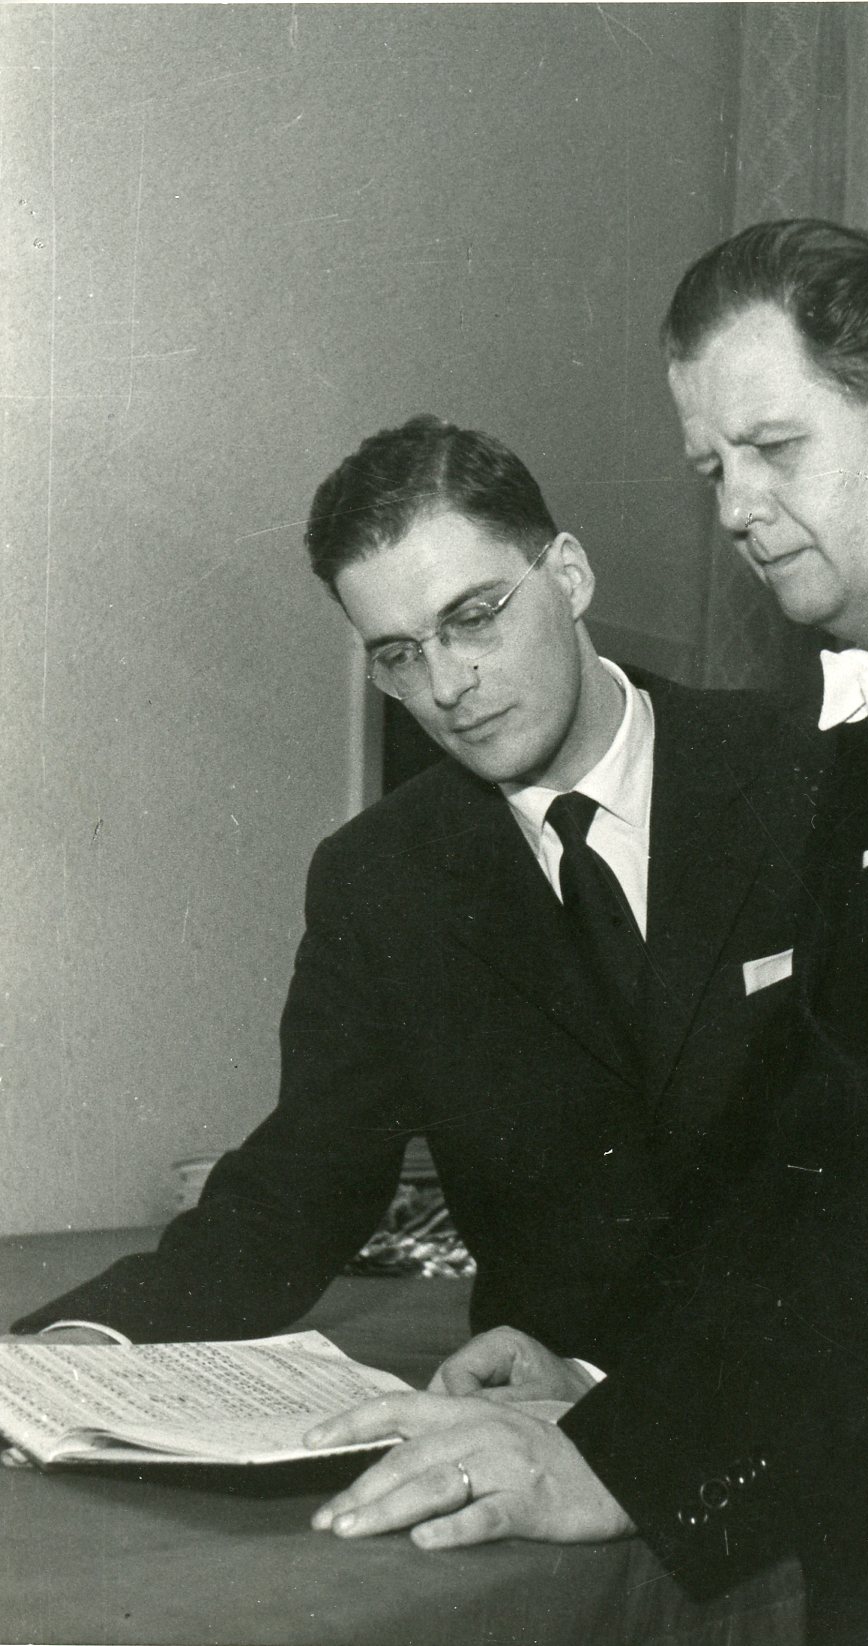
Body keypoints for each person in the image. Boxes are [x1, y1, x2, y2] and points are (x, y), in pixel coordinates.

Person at [305, 226, 868, 1645]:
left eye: (774, 448)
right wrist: (615, 1385)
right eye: (713, 468)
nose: (737, 506)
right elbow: (815, 1122)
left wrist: (626, 1462)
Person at [10, 414, 822, 1394]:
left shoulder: (814, 770)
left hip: (834, 1405)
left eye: (474, 616)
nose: (446, 686)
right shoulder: (382, 880)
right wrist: (76, 1349)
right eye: (398, 654)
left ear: (569, 575)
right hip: (538, 1426)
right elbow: (295, 1192)